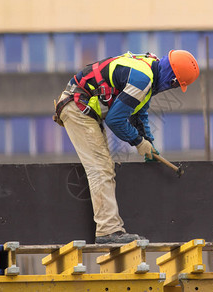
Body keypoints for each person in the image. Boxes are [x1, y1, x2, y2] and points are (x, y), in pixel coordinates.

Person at [53, 50, 199, 244]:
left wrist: (149, 142)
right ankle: (108, 232)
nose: (171, 89)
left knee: (105, 167)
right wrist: (138, 143)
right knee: (100, 169)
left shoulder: (149, 67)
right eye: (175, 85)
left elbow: (139, 112)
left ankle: (110, 228)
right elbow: (115, 120)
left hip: (84, 107)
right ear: (172, 80)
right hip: (78, 107)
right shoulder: (143, 80)